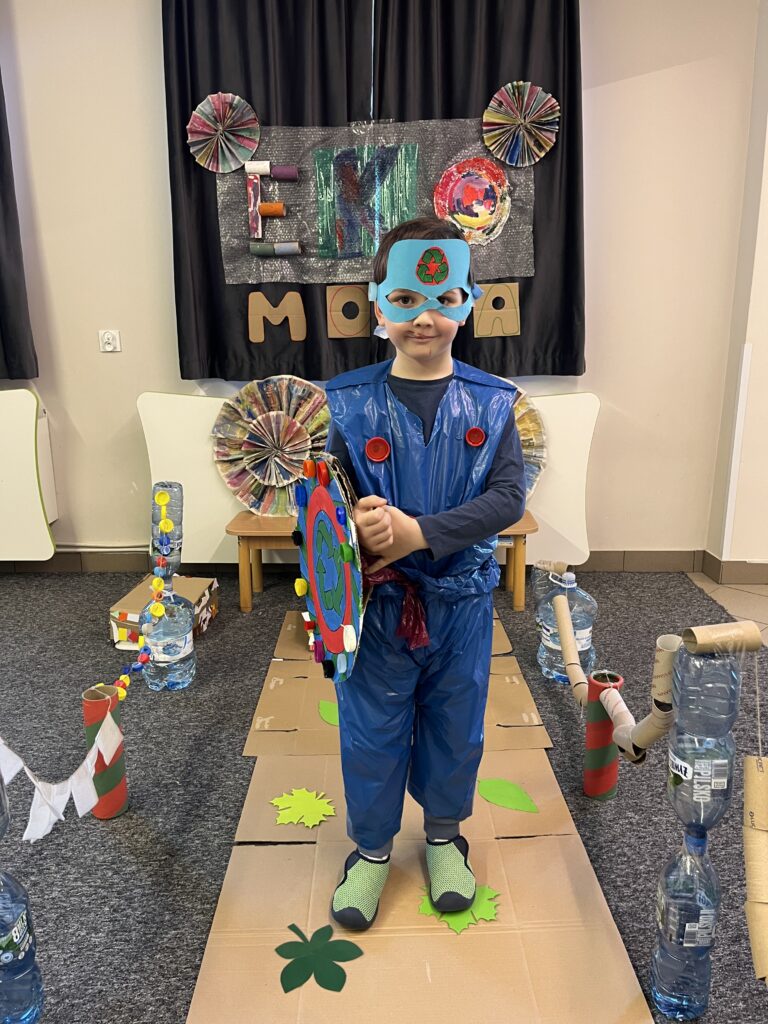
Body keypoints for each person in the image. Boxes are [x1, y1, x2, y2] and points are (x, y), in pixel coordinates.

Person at [324, 216, 527, 930]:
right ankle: (372, 851)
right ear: (377, 303)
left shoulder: (493, 403)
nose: (424, 318)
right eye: (406, 300)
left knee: (455, 724)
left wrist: (422, 533)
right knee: (371, 729)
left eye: (443, 301)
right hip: (378, 611)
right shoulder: (347, 403)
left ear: (468, 301)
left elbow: (508, 497)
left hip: (462, 605)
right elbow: (322, 501)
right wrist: (354, 524)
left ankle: (444, 838)